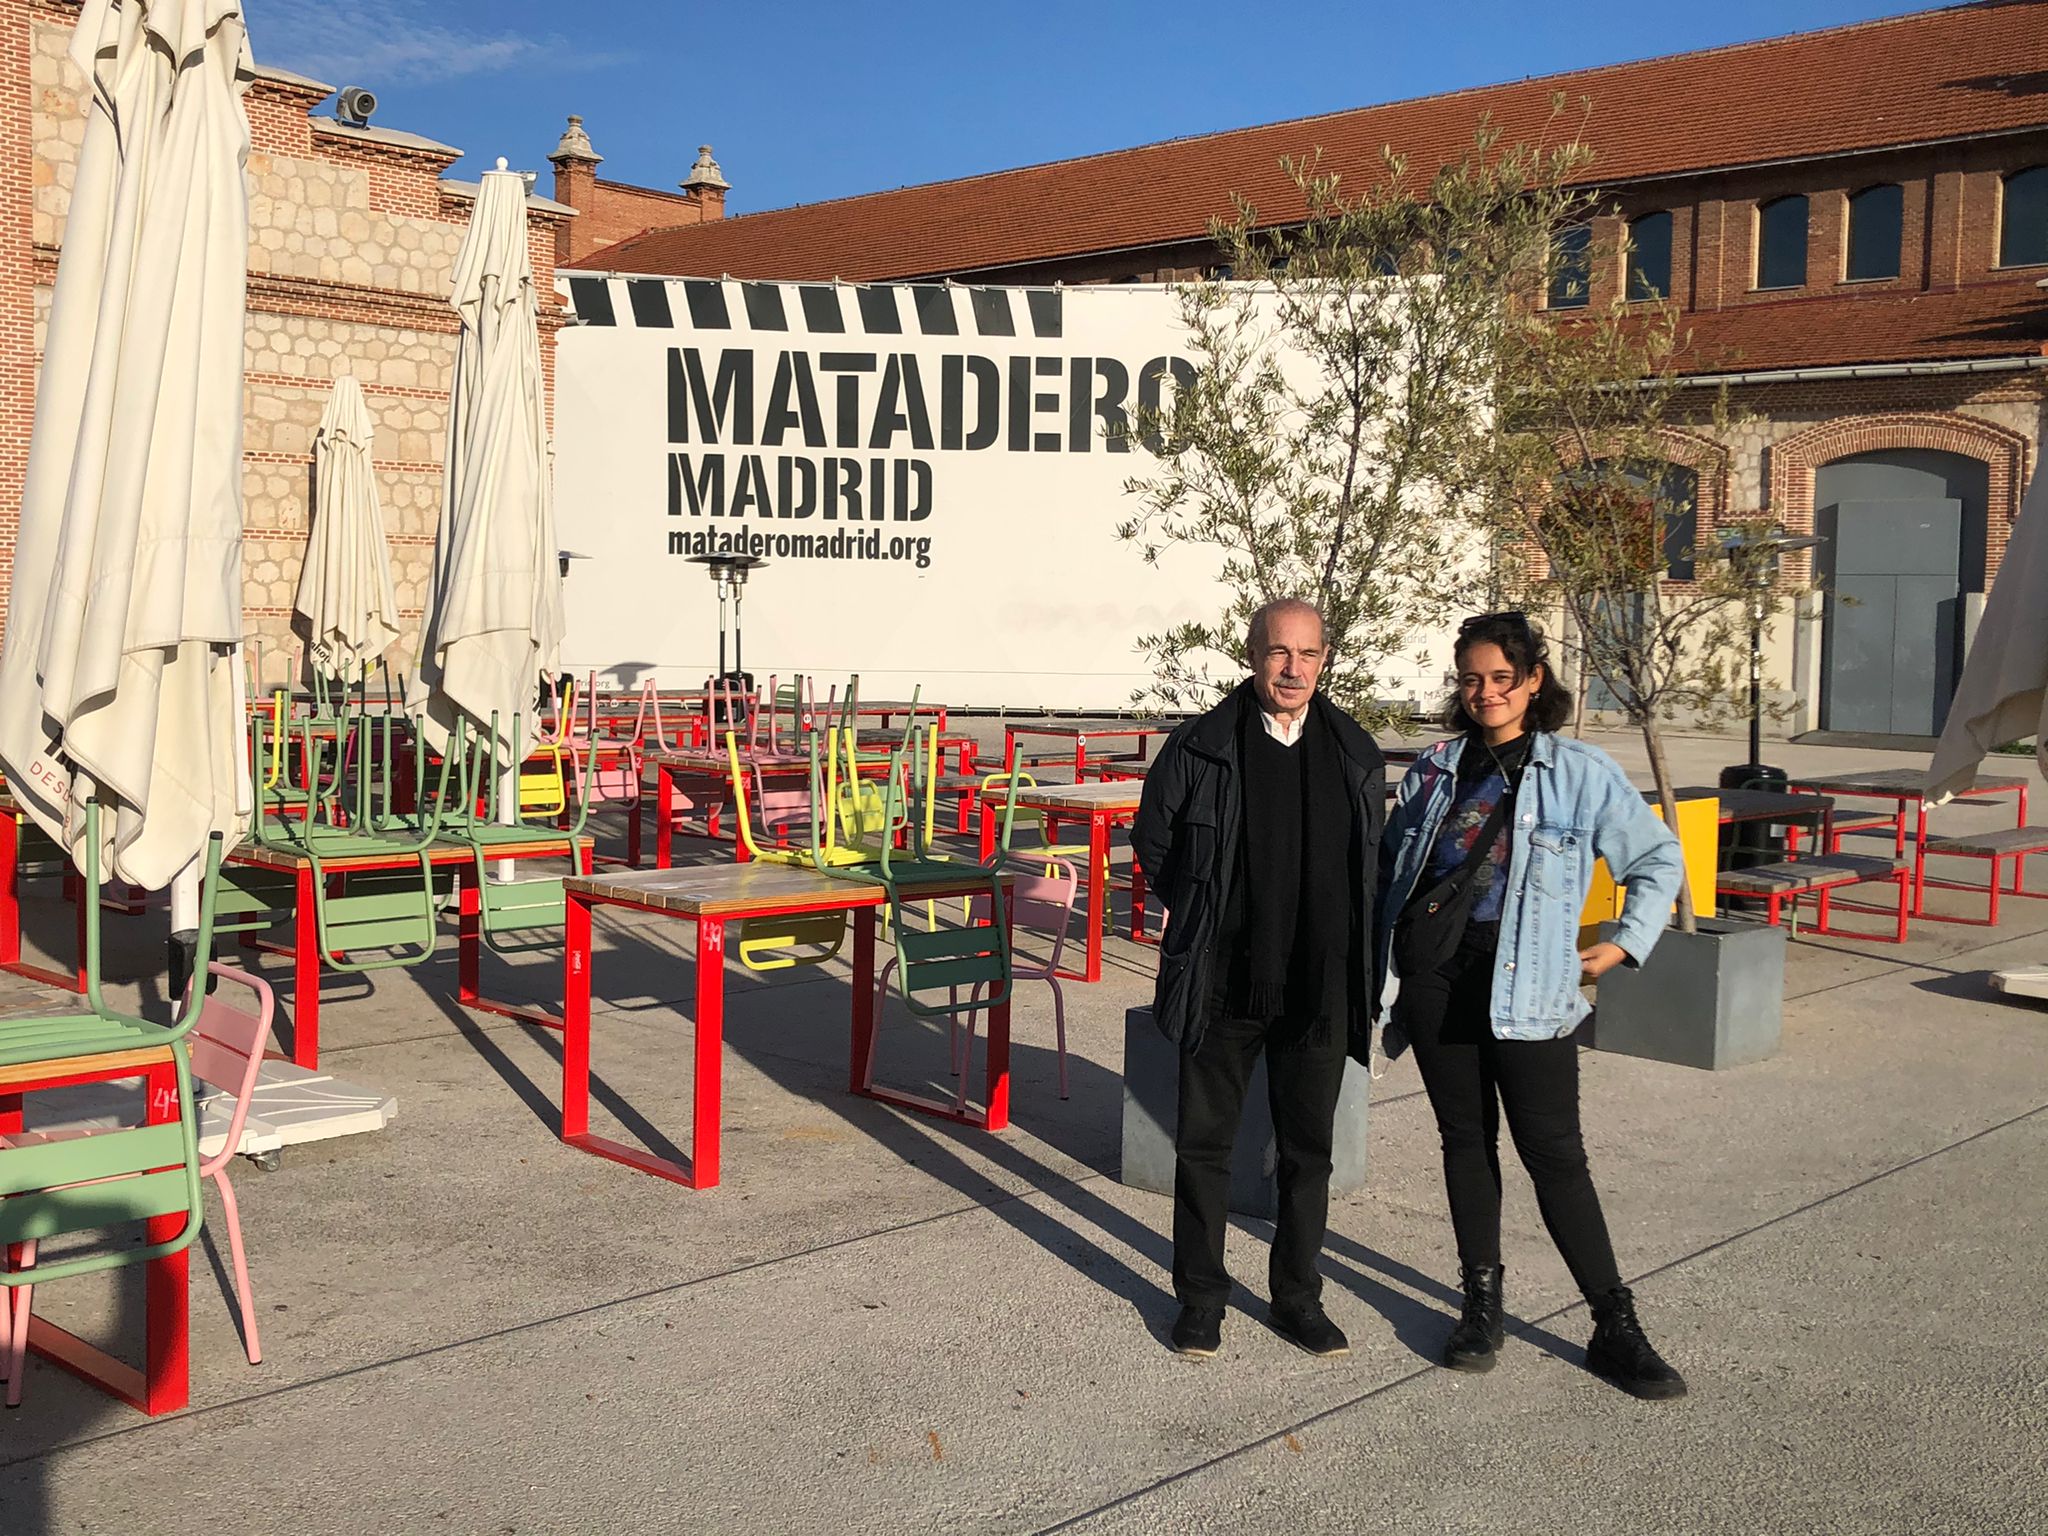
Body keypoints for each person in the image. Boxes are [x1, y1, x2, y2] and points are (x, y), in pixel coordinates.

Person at [1375, 611, 1689, 1399]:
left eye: (1501, 678)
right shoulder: (1437, 769)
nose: (1486, 693)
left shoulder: (1579, 771)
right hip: (1438, 978)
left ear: (1533, 680)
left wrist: (1623, 943)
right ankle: (1481, 1306)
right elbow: (1391, 871)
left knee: (1554, 1155)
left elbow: (1658, 858)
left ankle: (1614, 1323)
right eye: (1472, 680)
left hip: (1530, 987)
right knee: (1464, 1141)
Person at [1132, 597, 1386, 1359]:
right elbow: (1155, 841)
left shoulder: (1354, 751)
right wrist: (1205, 913)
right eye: (1279, 652)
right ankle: (1200, 1299)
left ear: (1325, 660)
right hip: (1223, 983)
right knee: (1204, 1149)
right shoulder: (1202, 746)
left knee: (1308, 1155)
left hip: (1319, 989)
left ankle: (1297, 1298)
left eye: (1307, 654)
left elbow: (1368, 868)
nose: (1293, 668)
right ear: (1253, 656)